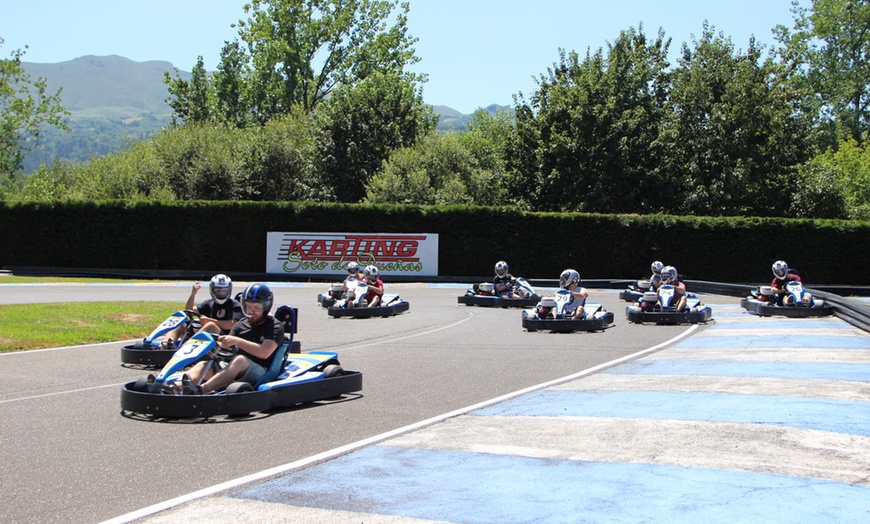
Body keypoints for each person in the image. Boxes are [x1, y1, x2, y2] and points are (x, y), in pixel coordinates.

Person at [180, 283, 285, 395]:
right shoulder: (242, 324)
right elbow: (227, 347)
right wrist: (218, 347)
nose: (251, 311)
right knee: (204, 364)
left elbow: (264, 352)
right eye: (249, 306)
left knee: (240, 360)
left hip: (262, 372)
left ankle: (201, 390)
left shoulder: (274, 326)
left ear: (266, 307)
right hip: (235, 368)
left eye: (256, 307)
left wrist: (237, 341)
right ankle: (178, 387)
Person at [159, 274, 243, 349]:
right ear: (212, 290)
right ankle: (164, 346)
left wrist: (209, 321)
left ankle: (185, 348)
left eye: (224, 290)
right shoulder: (209, 303)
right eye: (218, 290)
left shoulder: (235, 305)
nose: (221, 293)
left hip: (224, 338)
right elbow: (189, 311)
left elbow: (233, 324)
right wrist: (193, 294)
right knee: (180, 325)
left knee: (211, 325)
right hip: (206, 335)